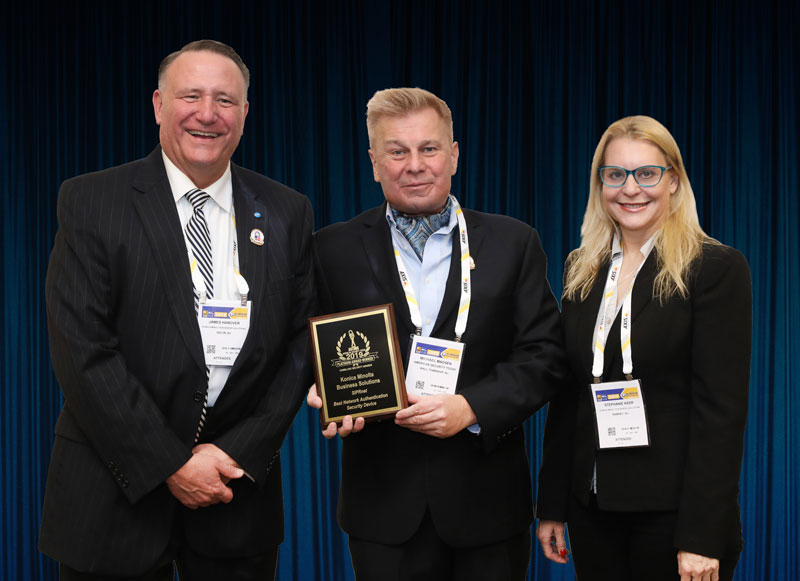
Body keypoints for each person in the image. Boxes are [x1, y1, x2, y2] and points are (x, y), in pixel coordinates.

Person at [40, 40, 315, 580]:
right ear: (159, 105)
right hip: (111, 498)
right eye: (191, 96)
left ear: (245, 114)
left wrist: (234, 453)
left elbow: (300, 344)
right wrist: (170, 464)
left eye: (225, 100)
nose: (207, 114)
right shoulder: (92, 201)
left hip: (235, 496)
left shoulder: (288, 210)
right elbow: (83, 351)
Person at [307, 87, 566, 580]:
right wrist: (319, 386)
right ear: (374, 162)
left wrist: (472, 407)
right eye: (396, 151)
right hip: (382, 509)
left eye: (428, 148)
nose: (414, 164)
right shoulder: (330, 248)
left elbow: (545, 356)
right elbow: (306, 351)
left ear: (453, 155)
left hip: (487, 504)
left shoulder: (514, 243)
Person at [535, 116, 751, 581]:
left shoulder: (713, 268)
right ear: (600, 184)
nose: (630, 188)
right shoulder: (582, 269)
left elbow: (721, 413)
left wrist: (701, 535)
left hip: (674, 516)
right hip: (593, 508)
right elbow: (568, 393)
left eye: (646, 173)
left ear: (673, 180)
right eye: (615, 174)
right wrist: (552, 503)